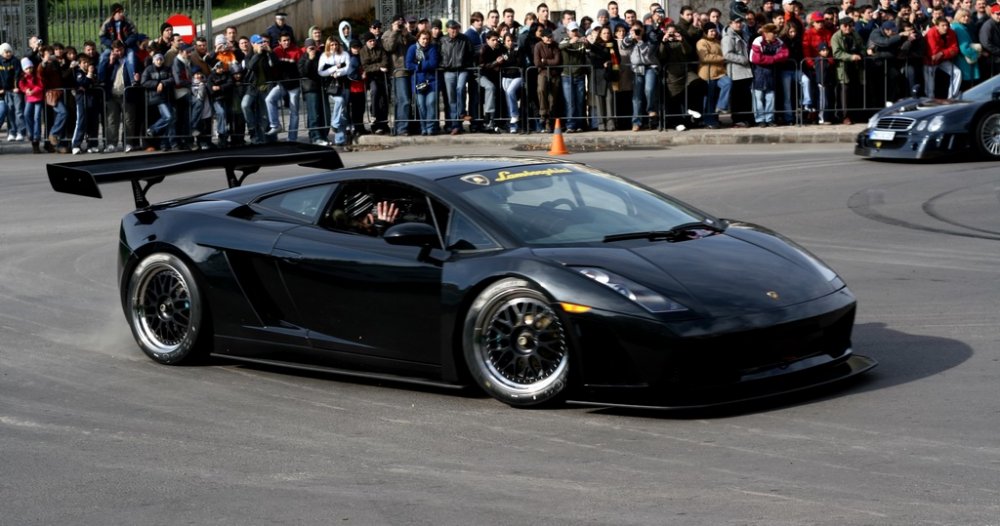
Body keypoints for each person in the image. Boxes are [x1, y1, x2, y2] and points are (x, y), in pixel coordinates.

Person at [621, 22, 660, 131]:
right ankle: (636, 122)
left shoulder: (650, 38)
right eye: (634, 30)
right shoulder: (630, 38)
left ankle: (651, 110)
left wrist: (640, 41)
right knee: (636, 97)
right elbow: (623, 46)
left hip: (649, 67)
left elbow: (648, 53)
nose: (637, 32)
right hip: (636, 69)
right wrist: (630, 37)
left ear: (643, 30)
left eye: (639, 30)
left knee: (649, 89)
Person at [265, 32, 302, 140]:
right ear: (279, 42)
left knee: (294, 112)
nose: (286, 42)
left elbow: (300, 68)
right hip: (282, 84)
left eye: (288, 40)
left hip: (294, 85)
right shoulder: (276, 51)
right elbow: (274, 65)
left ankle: (292, 138)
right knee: (269, 99)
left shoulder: (296, 51)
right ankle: (275, 125)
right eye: (284, 40)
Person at [439, 19, 474, 135]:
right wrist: (443, 64)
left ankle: (462, 112)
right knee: (451, 98)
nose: (454, 31)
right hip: (448, 71)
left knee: (460, 89)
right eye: (452, 28)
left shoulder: (464, 39)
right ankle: (456, 124)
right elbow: (439, 54)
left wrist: (466, 64)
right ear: (447, 29)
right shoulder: (443, 40)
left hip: (462, 69)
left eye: (456, 28)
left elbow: (471, 53)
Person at [384, 14, 416, 136]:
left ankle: (403, 126)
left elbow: (414, 43)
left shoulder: (405, 34)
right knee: (404, 101)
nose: (400, 25)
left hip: (410, 70)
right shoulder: (388, 34)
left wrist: (405, 33)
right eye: (398, 23)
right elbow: (388, 47)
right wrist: (395, 32)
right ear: (392, 24)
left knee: (407, 101)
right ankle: (402, 128)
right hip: (398, 71)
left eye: (402, 23)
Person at [830, 16, 865, 123]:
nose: (848, 28)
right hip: (843, 67)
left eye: (850, 25)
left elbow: (861, 46)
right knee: (844, 92)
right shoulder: (836, 37)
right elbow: (836, 53)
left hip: (856, 67)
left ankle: (856, 115)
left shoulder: (855, 34)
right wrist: (850, 57)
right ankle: (845, 116)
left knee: (856, 90)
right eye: (845, 26)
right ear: (840, 26)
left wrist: (861, 54)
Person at [405, 30, 440, 136]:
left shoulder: (432, 49)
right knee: (421, 106)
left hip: (431, 81)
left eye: (427, 39)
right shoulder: (413, 49)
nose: (425, 41)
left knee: (430, 103)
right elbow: (409, 64)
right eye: (423, 39)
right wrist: (421, 66)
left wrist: (419, 65)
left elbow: (434, 63)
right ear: (418, 38)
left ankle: (430, 128)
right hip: (418, 81)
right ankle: (423, 127)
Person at [318, 37, 351, 145]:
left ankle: (340, 138)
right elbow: (321, 71)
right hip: (332, 86)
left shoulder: (344, 54)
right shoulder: (324, 56)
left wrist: (338, 72)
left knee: (343, 112)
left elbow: (348, 68)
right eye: (332, 45)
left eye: (335, 44)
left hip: (344, 84)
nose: (334, 46)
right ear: (328, 45)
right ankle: (335, 123)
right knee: (339, 101)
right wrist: (333, 69)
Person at [723, 15, 755, 127]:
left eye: (740, 22)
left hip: (746, 70)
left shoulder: (744, 34)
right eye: (736, 22)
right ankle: (737, 119)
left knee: (746, 96)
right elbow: (726, 54)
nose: (739, 24)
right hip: (736, 71)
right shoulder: (728, 37)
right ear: (730, 23)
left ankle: (747, 118)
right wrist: (743, 59)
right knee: (737, 97)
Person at [558, 21, 589, 133]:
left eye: (576, 30)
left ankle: (580, 124)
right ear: (568, 32)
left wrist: (587, 44)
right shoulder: (565, 40)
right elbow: (560, 46)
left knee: (580, 101)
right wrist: (571, 42)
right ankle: (570, 125)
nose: (575, 32)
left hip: (579, 75)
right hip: (567, 76)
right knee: (570, 102)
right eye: (572, 31)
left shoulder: (581, 41)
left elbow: (589, 50)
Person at [589, 24, 620, 131]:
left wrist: (610, 62)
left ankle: (610, 123)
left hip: (610, 75)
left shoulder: (613, 44)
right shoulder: (596, 45)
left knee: (609, 98)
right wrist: (603, 63)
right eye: (604, 33)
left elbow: (618, 58)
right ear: (600, 34)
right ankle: (601, 123)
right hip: (599, 76)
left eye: (608, 33)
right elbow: (593, 60)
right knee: (599, 100)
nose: (606, 35)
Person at [697, 23, 728, 128]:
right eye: (711, 31)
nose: (714, 33)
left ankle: (721, 106)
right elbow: (705, 57)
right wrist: (721, 58)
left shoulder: (717, 42)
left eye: (714, 31)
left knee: (728, 83)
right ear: (706, 32)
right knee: (709, 99)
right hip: (707, 74)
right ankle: (709, 121)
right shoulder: (701, 42)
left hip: (719, 73)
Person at [359, 32, 390, 134]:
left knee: (383, 99)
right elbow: (365, 66)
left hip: (382, 77)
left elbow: (385, 61)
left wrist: (376, 66)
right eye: (370, 41)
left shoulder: (380, 49)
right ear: (366, 42)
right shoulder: (363, 51)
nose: (372, 42)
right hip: (371, 78)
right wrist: (378, 67)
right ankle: (374, 121)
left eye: (373, 40)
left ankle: (383, 123)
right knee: (375, 93)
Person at [298, 38, 327, 145]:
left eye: (313, 47)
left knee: (322, 113)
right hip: (310, 89)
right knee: (313, 114)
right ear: (306, 48)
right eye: (310, 48)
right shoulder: (303, 58)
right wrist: (310, 60)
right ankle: (315, 137)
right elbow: (303, 73)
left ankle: (322, 136)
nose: (312, 50)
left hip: (320, 87)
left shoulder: (320, 55)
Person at [924, 16, 962, 98]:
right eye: (943, 25)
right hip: (929, 61)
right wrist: (946, 52)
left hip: (942, 59)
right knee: (930, 86)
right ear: (937, 26)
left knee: (957, 72)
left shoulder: (951, 32)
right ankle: (930, 101)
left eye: (947, 25)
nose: (945, 27)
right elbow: (934, 53)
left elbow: (955, 49)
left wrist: (942, 53)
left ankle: (952, 96)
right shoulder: (931, 33)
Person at [533, 28, 561, 132]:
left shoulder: (555, 45)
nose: (550, 39)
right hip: (543, 73)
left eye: (551, 37)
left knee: (552, 99)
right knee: (541, 90)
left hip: (554, 74)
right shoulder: (538, 46)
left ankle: (549, 123)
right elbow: (536, 63)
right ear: (542, 37)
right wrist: (548, 62)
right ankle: (543, 113)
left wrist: (544, 61)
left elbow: (557, 61)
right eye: (547, 37)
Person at [479, 31, 507, 133]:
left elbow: (506, 54)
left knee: (501, 93)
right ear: (487, 40)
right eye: (493, 40)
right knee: (490, 88)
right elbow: (482, 66)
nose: (495, 42)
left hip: (494, 76)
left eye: (496, 40)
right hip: (482, 76)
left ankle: (500, 120)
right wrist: (496, 63)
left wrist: (502, 60)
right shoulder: (484, 49)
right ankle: (488, 118)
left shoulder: (499, 48)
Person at [0, 43, 25, 141]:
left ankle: (20, 131)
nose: (8, 53)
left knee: (18, 111)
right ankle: (12, 132)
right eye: (6, 52)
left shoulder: (15, 61)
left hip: (15, 90)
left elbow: (17, 74)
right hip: (5, 91)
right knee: (9, 111)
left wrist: (16, 86)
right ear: (2, 53)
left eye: (9, 51)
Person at [18, 58, 43, 153]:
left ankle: (36, 136)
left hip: (38, 98)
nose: (29, 70)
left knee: (37, 117)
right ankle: (31, 133)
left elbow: (40, 86)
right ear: (24, 70)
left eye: (30, 68)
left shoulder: (36, 76)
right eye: (27, 68)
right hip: (29, 98)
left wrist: (33, 91)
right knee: (26, 114)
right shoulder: (23, 78)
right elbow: (22, 86)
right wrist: (26, 90)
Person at [951, 9, 980, 90]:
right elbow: (964, 48)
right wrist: (976, 55)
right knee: (967, 88)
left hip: (961, 61)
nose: (966, 18)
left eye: (968, 16)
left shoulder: (957, 26)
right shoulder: (959, 28)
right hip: (964, 62)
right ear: (958, 17)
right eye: (963, 16)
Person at [207, 60, 233, 147]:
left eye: (222, 68)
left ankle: (224, 135)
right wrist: (221, 88)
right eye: (219, 67)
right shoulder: (211, 76)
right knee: (221, 113)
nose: (221, 69)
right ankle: (221, 134)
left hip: (226, 99)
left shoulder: (227, 74)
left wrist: (219, 87)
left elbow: (230, 84)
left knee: (226, 116)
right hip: (216, 99)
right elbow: (210, 89)